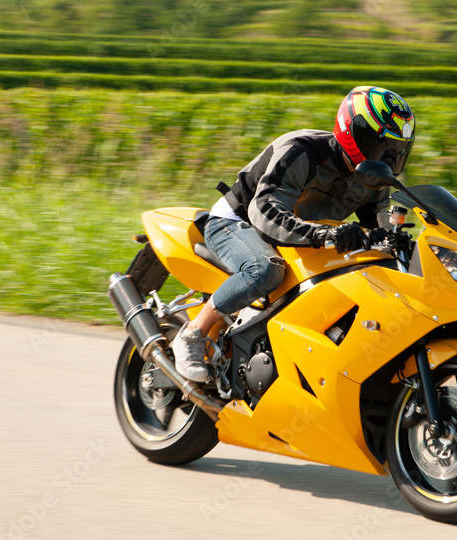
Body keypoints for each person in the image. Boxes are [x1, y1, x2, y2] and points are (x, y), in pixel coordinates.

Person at [171, 85, 417, 382]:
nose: (387, 160)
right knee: (264, 270)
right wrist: (326, 234)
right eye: (382, 147)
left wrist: (403, 242)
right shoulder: (303, 150)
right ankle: (192, 333)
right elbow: (265, 211)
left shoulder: (374, 178)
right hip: (238, 222)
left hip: (300, 233)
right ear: (353, 130)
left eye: (396, 152)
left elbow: (382, 227)